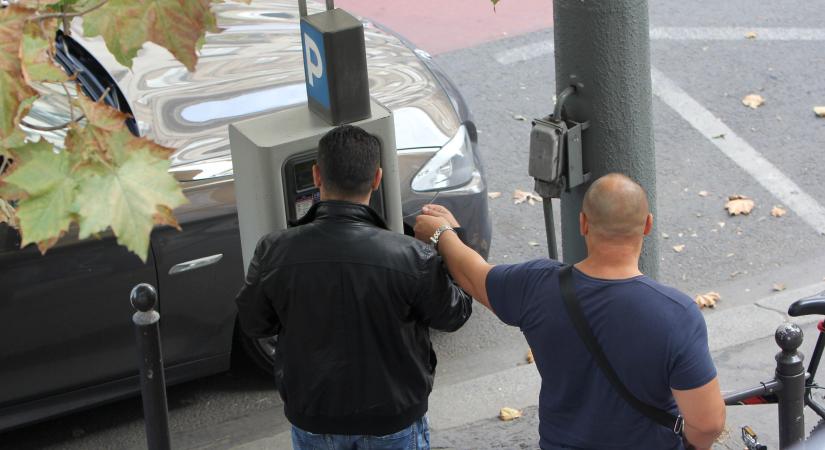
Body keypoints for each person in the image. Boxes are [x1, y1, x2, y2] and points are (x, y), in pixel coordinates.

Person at [414, 173, 725, 450]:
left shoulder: (536, 285)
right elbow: (708, 424)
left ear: (583, 223)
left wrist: (444, 233)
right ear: (647, 226)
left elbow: (474, 275)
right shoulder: (676, 314)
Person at [235, 124, 472, 450]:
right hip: (393, 417)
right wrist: (450, 239)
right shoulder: (411, 256)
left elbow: (254, 323)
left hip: (315, 417)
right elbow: (454, 314)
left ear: (317, 176)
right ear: (377, 179)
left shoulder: (274, 250)